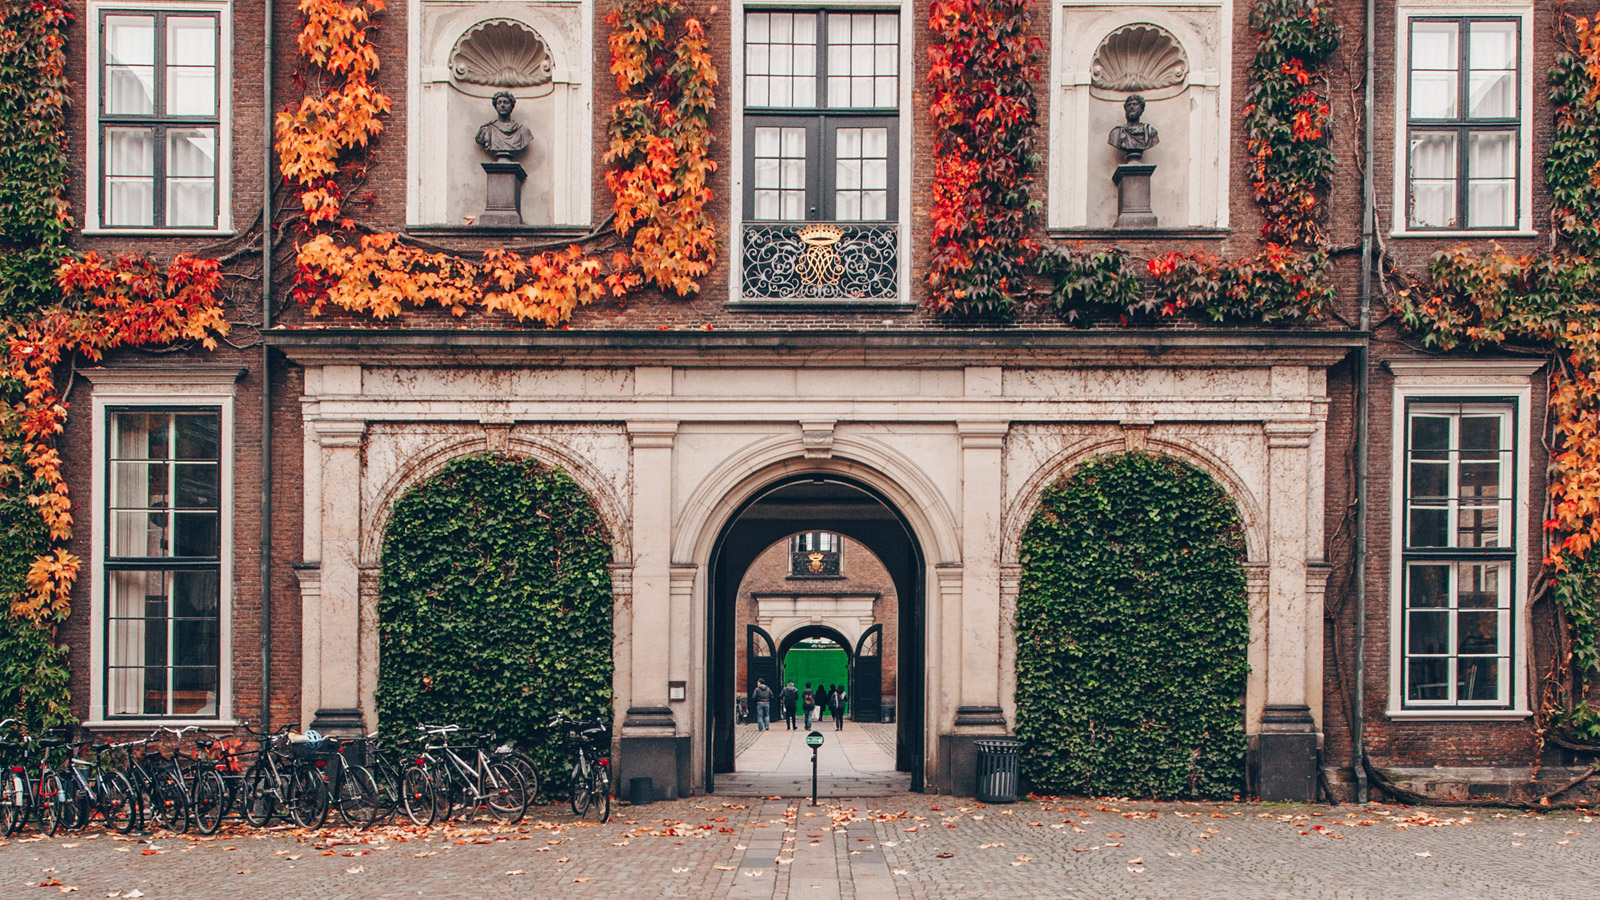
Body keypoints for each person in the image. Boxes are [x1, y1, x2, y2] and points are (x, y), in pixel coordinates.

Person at [475, 90, 534, 159]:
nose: (502, 105)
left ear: (512, 106)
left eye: (506, 102)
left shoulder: (522, 131)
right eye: (499, 103)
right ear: (495, 106)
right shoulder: (486, 130)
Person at [1107, 94, 1160, 161]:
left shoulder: (1150, 132)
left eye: (1135, 104)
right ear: (1125, 109)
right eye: (1129, 105)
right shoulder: (1116, 133)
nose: (1131, 107)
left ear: (1141, 110)